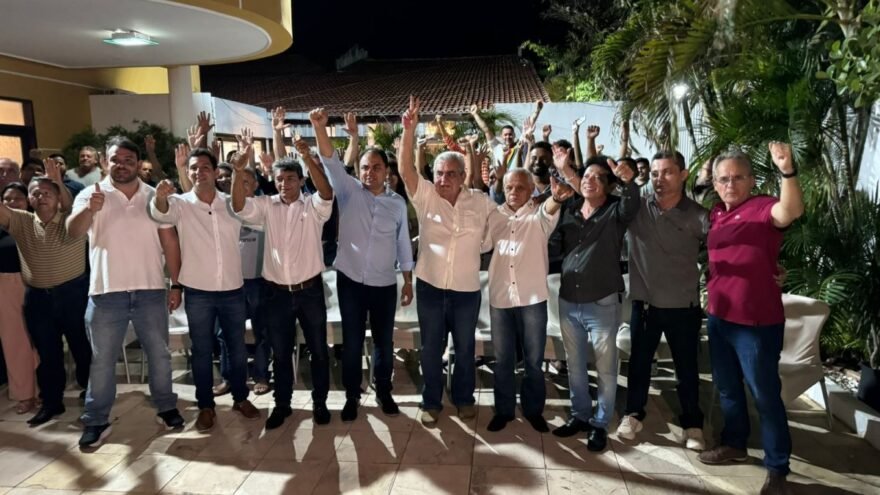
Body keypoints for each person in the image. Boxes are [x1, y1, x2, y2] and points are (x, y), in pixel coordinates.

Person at [697, 142, 804, 495]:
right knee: (728, 389)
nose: (730, 184)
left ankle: (777, 468)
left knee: (765, 395)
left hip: (756, 324)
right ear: (715, 184)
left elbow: (790, 211)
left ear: (752, 180)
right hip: (720, 318)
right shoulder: (716, 214)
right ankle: (735, 443)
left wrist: (787, 170)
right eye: (724, 179)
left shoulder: (762, 208)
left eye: (738, 177)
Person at [68, 136, 184, 448]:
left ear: (137, 163)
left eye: (128, 161)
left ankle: (167, 407)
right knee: (102, 360)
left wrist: (176, 283)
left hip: (150, 291)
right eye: (115, 160)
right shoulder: (91, 194)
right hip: (106, 294)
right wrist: (89, 210)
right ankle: (96, 419)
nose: (121, 166)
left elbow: (170, 242)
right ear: (104, 162)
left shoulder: (154, 196)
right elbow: (72, 232)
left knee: (159, 355)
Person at [309, 108, 414, 422]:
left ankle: (384, 391)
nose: (370, 172)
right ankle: (352, 396)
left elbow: (403, 244)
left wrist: (408, 281)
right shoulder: (348, 190)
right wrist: (319, 128)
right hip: (351, 281)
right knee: (352, 342)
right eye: (365, 167)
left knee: (383, 342)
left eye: (376, 167)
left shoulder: (397, 203)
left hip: (384, 283)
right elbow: (329, 159)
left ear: (386, 171)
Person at [149, 146, 260, 432]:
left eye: (205, 167)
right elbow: (161, 213)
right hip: (198, 291)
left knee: (237, 349)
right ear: (188, 173)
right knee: (201, 351)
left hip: (233, 289)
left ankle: (240, 398)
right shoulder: (180, 204)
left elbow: (251, 212)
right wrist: (160, 197)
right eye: (194, 168)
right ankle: (206, 406)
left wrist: (240, 172)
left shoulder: (231, 203)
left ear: (215, 171)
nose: (199, 172)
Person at [399, 96, 495, 426]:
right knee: (430, 349)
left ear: (463, 175)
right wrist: (409, 130)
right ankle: (431, 402)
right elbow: (406, 170)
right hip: (430, 287)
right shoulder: (426, 197)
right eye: (439, 173)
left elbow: (496, 231)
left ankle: (464, 398)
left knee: (465, 348)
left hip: (466, 291)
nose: (442, 179)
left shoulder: (480, 202)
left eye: (450, 174)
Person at [230, 138, 334, 431]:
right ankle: (283, 404)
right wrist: (238, 172)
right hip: (276, 294)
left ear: (301, 181)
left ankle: (320, 403)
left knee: (318, 351)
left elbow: (327, 193)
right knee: (280, 353)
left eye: (290, 178)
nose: (284, 184)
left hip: (310, 292)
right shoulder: (266, 206)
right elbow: (238, 206)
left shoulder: (313, 206)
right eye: (279, 179)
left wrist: (308, 157)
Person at [616, 151, 709, 451]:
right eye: (655, 173)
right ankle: (633, 414)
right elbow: (618, 206)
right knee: (639, 364)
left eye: (668, 172)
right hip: (645, 305)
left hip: (684, 306)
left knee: (687, 369)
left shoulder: (699, 215)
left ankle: (693, 424)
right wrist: (628, 182)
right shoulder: (638, 209)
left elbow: (719, 253)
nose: (660, 179)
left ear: (683, 174)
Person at [548, 149, 640, 452]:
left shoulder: (615, 212)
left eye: (599, 178)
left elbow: (631, 205)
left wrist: (629, 182)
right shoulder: (571, 209)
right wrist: (565, 171)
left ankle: (600, 423)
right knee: (574, 365)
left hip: (602, 302)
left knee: (605, 367)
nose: (590, 181)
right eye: (586, 176)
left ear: (609, 186)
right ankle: (580, 415)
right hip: (568, 301)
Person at [0, 158, 92, 426]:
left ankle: (93, 399)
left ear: (58, 196)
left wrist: (58, 181)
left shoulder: (72, 220)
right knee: (47, 354)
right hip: (38, 298)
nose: (41, 197)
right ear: (28, 199)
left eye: (46, 192)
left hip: (73, 295)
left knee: (82, 350)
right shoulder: (21, 221)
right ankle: (52, 403)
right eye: (35, 193)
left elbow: (72, 204)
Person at [484, 168, 571, 433]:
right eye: (509, 187)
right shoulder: (494, 216)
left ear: (530, 189)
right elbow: (482, 244)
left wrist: (556, 197)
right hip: (500, 298)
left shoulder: (539, 216)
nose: (514, 192)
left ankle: (533, 411)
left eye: (520, 187)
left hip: (532, 298)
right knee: (503, 360)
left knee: (533, 361)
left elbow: (550, 207)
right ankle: (504, 411)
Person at [0, 181, 39, 415]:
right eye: (7, 199)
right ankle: (25, 394)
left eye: (18, 198)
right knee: (15, 342)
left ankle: (44, 389)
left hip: (35, 283)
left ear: (28, 202)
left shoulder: (33, 224)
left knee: (40, 341)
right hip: (5, 286)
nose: (12, 202)